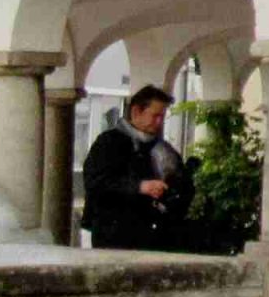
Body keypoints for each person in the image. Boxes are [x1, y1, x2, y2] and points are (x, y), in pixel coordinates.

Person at [81, 85, 191, 250]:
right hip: (114, 235)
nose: (159, 122)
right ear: (136, 112)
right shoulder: (108, 143)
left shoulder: (163, 149)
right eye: (155, 116)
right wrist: (140, 187)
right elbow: (96, 183)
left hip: (155, 235)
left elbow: (183, 185)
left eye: (162, 117)